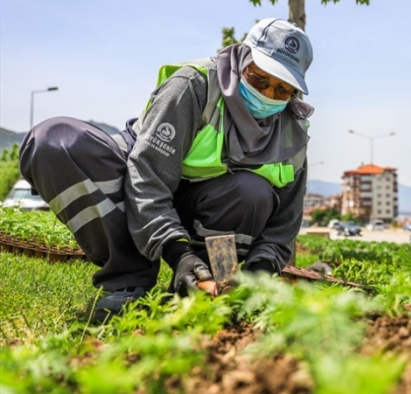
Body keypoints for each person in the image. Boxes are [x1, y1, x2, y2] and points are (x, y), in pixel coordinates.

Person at [19, 18, 314, 321]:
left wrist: (259, 273)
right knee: (55, 141)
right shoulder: (196, 86)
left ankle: (209, 284)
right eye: (259, 80)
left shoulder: (292, 134)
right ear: (242, 61)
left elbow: (284, 224)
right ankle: (129, 280)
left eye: (282, 90)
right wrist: (178, 254)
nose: (267, 94)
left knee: (252, 191)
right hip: (135, 189)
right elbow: (147, 176)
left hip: (204, 205)